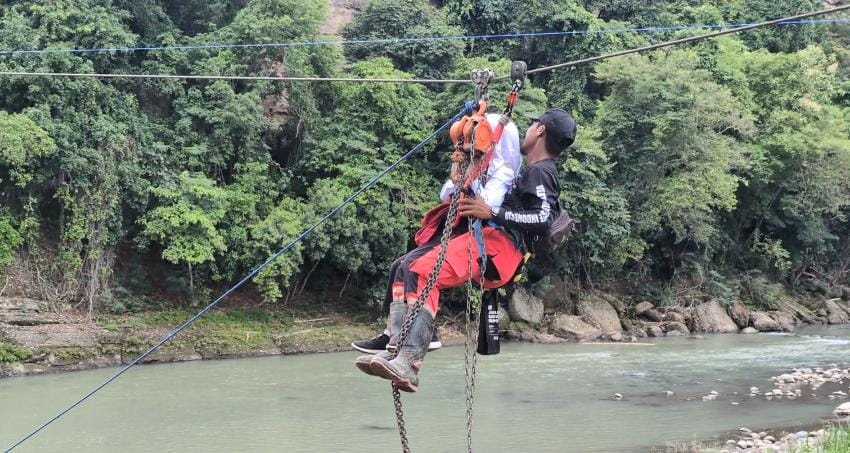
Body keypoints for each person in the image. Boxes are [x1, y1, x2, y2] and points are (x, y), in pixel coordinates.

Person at [356, 108, 577, 392]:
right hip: (492, 244)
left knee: (421, 269)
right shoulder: (531, 171)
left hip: (501, 249)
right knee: (405, 265)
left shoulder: (541, 171)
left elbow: (542, 219)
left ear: (541, 130)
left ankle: (410, 360)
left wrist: (492, 212)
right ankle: (397, 347)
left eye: (533, 124)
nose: (529, 129)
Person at [351, 113, 521, 355]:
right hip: (456, 225)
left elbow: (488, 202)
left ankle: (424, 334)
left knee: (414, 265)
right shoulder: (474, 166)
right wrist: (464, 170)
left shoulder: (504, 172)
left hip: (478, 233)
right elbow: (446, 194)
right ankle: (392, 332)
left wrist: (472, 176)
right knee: (398, 265)